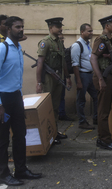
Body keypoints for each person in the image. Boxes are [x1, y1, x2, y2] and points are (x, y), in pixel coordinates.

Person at [0, 16, 42, 186]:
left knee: (21, 135)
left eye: (22, 27)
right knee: (2, 139)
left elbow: (16, 78)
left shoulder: (18, 48)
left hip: (16, 98)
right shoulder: (2, 48)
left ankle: (21, 169)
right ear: (8, 29)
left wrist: (20, 100)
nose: (21, 30)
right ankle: (3, 175)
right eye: (17, 27)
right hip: (3, 100)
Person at [36, 17, 72, 145]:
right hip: (48, 78)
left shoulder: (59, 42)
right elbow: (40, 63)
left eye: (60, 26)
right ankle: (47, 133)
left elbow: (63, 61)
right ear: (51, 28)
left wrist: (67, 77)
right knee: (47, 107)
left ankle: (54, 132)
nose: (61, 28)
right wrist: (39, 82)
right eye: (58, 27)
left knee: (55, 106)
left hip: (59, 76)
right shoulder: (45, 42)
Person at [90, 15, 112, 151]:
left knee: (106, 109)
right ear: (107, 26)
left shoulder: (108, 41)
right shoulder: (101, 40)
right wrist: (101, 79)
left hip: (108, 77)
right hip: (103, 77)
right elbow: (93, 58)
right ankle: (104, 140)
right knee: (103, 110)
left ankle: (104, 137)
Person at [72, 23, 98, 129]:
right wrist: (78, 81)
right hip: (82, 76)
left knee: (97, 96)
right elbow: (75, 64)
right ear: (82, 32)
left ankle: (96, 118)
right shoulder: (77, 45)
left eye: (91, 31)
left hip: (90, 76)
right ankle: (82, 122)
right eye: (89, 31)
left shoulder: (87, 44)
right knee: (81, 99)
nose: (91, 33)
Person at [57, 33, 73, 122]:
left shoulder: (62, 48)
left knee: (61, 95)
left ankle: (61, 114)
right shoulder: (49, 45)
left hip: (61, 75)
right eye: (60, 38)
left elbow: (64, 64)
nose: (62, 39)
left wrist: (67, 76)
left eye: (63, 38)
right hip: (52, 76)